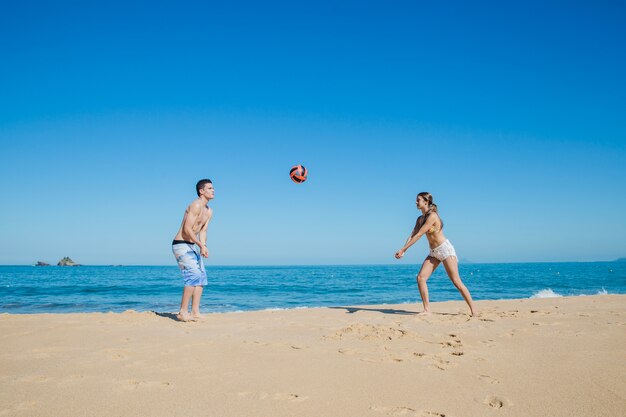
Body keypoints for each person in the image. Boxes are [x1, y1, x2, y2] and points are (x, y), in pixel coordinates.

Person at [395, 192, 477, 316]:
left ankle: (474, 310)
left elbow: (419, 234)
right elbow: (412, 234)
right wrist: (403, 249)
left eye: (418, 200)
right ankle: (427, 310)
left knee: (456, 281)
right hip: (433, 252)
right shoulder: (420, 219)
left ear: (426, 202)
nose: (416, 202)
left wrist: (403, 250)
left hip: (445, 250)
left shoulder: (432, 216)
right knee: (421, 278)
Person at [172, 179, 214, 322]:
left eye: (213, 188)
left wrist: (204, 245)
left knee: (201, 277)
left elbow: (203, 230)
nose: (213, 190)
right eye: (209, 188)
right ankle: (182, 312)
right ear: (201, 191)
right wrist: (199, 245)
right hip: (181, 244)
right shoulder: (195, 205)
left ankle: (195, 312)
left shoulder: (209, 211)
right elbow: (187, 229)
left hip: (192, 244)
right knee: (193, 275)